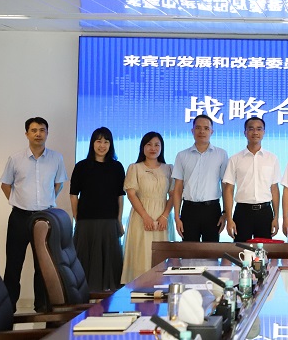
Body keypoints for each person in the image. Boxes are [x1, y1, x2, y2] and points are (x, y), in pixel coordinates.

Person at [0, 117, 67, 312]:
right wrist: (17, 201)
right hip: (20, 217)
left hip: (45, 218)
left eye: (42, 130)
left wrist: (47, 201)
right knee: (14, 264)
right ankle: (8, 306)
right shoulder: (15, 159)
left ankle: (42, 306)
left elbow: (59, 183)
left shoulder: (56, 158)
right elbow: (5, 184)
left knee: (43, 265)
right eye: (34, 130)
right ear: (27, 133)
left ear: (47, 133)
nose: (38, 134)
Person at [69, 126, 126, 291]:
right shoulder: (81, 166)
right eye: (99, 141)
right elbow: (73, 195)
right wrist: (77, 218)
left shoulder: (117, 167)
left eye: (106, 142)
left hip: (109, 221)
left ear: (111, 144)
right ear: (92, 143)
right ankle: (85, 298)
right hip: (86, 221)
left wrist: (118, 220)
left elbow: (120, 196)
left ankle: (107, 299)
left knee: (110, 263)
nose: (102, 145)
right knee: (84, 262)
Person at [121, 132, 175, 283]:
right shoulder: (134, 168)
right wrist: (145, 217)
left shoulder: (169, 168)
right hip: (141, 216)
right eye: (149, 144)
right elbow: (131, 194)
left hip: (163, 216)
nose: (153, 148)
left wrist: (164, 216)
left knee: (162, 254)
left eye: (157, 145)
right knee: (141, 253)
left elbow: (173, 195)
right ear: (142, 147)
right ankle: (139, 287)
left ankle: (162, 288)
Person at [223, 117, 280, 242]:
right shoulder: (235, 159)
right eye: (251, 129)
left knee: (263, 251)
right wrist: (229, 218)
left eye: (259, 129)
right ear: (245, 132)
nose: (255, 132)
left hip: (265, 212)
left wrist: (276, 217)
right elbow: (229, 189)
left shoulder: (272, 158)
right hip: (242, 212)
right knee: (241, 250)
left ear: (264, 132)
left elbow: (274, 189)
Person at [172, 115, 229, 242]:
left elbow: (225, 186)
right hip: (189, 210)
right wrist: (176, 216)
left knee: (211, 250)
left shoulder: (221, 154)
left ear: (212, 131)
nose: (202, 131)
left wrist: (225, 213)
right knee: (189, 250)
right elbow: (178, 188)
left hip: (212, 210)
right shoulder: (182, 155)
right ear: (192, 131)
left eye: (206, 128)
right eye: (198, 128)